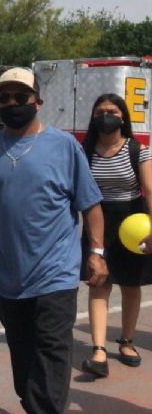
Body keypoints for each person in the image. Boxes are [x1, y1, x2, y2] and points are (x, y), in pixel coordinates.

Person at [0, 67, 107, 414]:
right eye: (4, 98)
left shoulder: (64, 147)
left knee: (51, 351)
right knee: (23, 356)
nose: (11, 103)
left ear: (38, 101)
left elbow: (91, 205)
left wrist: (96, 252)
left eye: (20, 97)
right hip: (7, 276)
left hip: (56, 273)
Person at [78, 94, 152, 378]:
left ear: (123, 117)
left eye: (112, 111)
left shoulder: (138, 150)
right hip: (96, 222)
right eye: (100, 111)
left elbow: (150, 190)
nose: (106, 116)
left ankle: (127, 342)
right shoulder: (85, 152)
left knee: (131, 285)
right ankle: (98, 350)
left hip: (132, 223)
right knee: (98, 283)